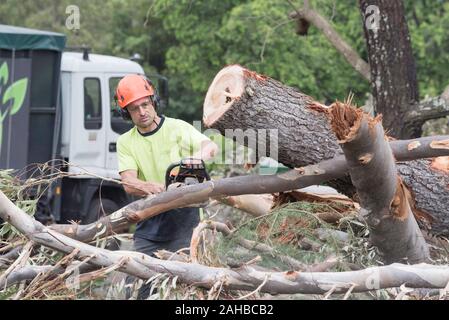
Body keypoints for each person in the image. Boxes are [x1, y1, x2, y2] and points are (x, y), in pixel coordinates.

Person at [115, 74, 218, 298]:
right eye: (134, 109)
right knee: (136, 288)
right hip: (149, 223)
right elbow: (128, 182)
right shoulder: (126, 142)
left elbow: (210, 147)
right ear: (126, 113)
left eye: (145, 104)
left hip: (186, 222)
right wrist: (149, 186)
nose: (142, 112)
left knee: (188, 288)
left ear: (154, 102)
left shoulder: (177, 128)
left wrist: (195, 160)